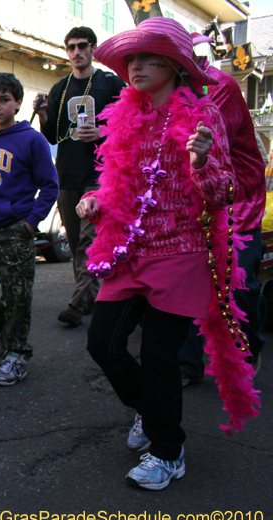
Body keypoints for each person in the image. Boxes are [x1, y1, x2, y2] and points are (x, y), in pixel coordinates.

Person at [79, 17, 256, 490]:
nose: (135, 67)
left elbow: (224, 192)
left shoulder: (203, 117)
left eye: (147, 57)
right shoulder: (124, 115)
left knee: (159, 357)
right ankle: (151, 410)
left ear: (175, 64)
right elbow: (118, 186)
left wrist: (201, 162)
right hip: (129, 253)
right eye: (130, 59)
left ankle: (168, 450)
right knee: (104, 344)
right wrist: (96, 203)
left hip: (181, 254)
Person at [177, 34, 267, 386]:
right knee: (184, 282)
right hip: (195, 197)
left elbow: (209, 141)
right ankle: (187, 364)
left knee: (238, 284)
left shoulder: (219, 85)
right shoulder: (168, 92)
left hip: (237, 199)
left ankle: (247, 349)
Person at [0, 72, 58, 386]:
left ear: (17, 102)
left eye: (4, 100)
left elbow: (49, 186)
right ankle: (3, 328)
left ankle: (16, 355)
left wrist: (30, 224)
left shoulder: (32, 140)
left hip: (15, 231)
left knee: (18, 295)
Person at [34, 26, 126, 327]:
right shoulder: (60, 88)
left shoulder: (109, 83)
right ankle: (90, 297)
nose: (76, 52)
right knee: (76, 245)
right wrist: (45, 113)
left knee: (90, 242)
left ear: (93, 49)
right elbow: (53, 136)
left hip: (99, 175)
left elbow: (130, 124)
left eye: (82, 46)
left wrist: (103, 132)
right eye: (71, 47)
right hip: (68, 175)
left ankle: (76, 304)